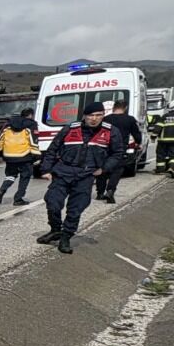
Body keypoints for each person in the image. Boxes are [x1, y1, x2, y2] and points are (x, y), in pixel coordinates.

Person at [36, 100, 124, 254]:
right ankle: (55, 229)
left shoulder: (111, 132)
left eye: (98, 115)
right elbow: (52, 149)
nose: (94, 118)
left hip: (86, 175)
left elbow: (117, 154)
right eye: (91, 115)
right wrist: (45, 170)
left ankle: (66, 237)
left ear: (103, 115)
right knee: (52, 202)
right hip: (63, 172)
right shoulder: (70, 129)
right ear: (84, 116)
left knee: (75, 209)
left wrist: (103, 169)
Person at [97, 100, 142, 203]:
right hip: (120, 148)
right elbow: (136, 133)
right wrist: (138, 143)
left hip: (104, 147)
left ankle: (100, 193)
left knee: (103, 169)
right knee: (117, 170)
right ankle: (110, 190)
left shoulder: (105, 119)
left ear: (114, 107)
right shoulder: (130, 119)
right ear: (125, 108)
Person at [0, 114, 40, 204]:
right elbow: (33, 143)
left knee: (10, 176)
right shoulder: (28, 129)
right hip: (25, 157)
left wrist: (2, 154)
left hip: (10, 157)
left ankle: (2, 190)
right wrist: (36, 156)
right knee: (24, 177)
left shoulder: (7, 129)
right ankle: (18, 198)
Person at [155, 108, 174, 176]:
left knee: (161, 155)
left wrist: (153, 136)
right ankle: (172, 167)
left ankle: (160, 170)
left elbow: (158, 127)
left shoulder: (165, 116)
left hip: (163, 140)